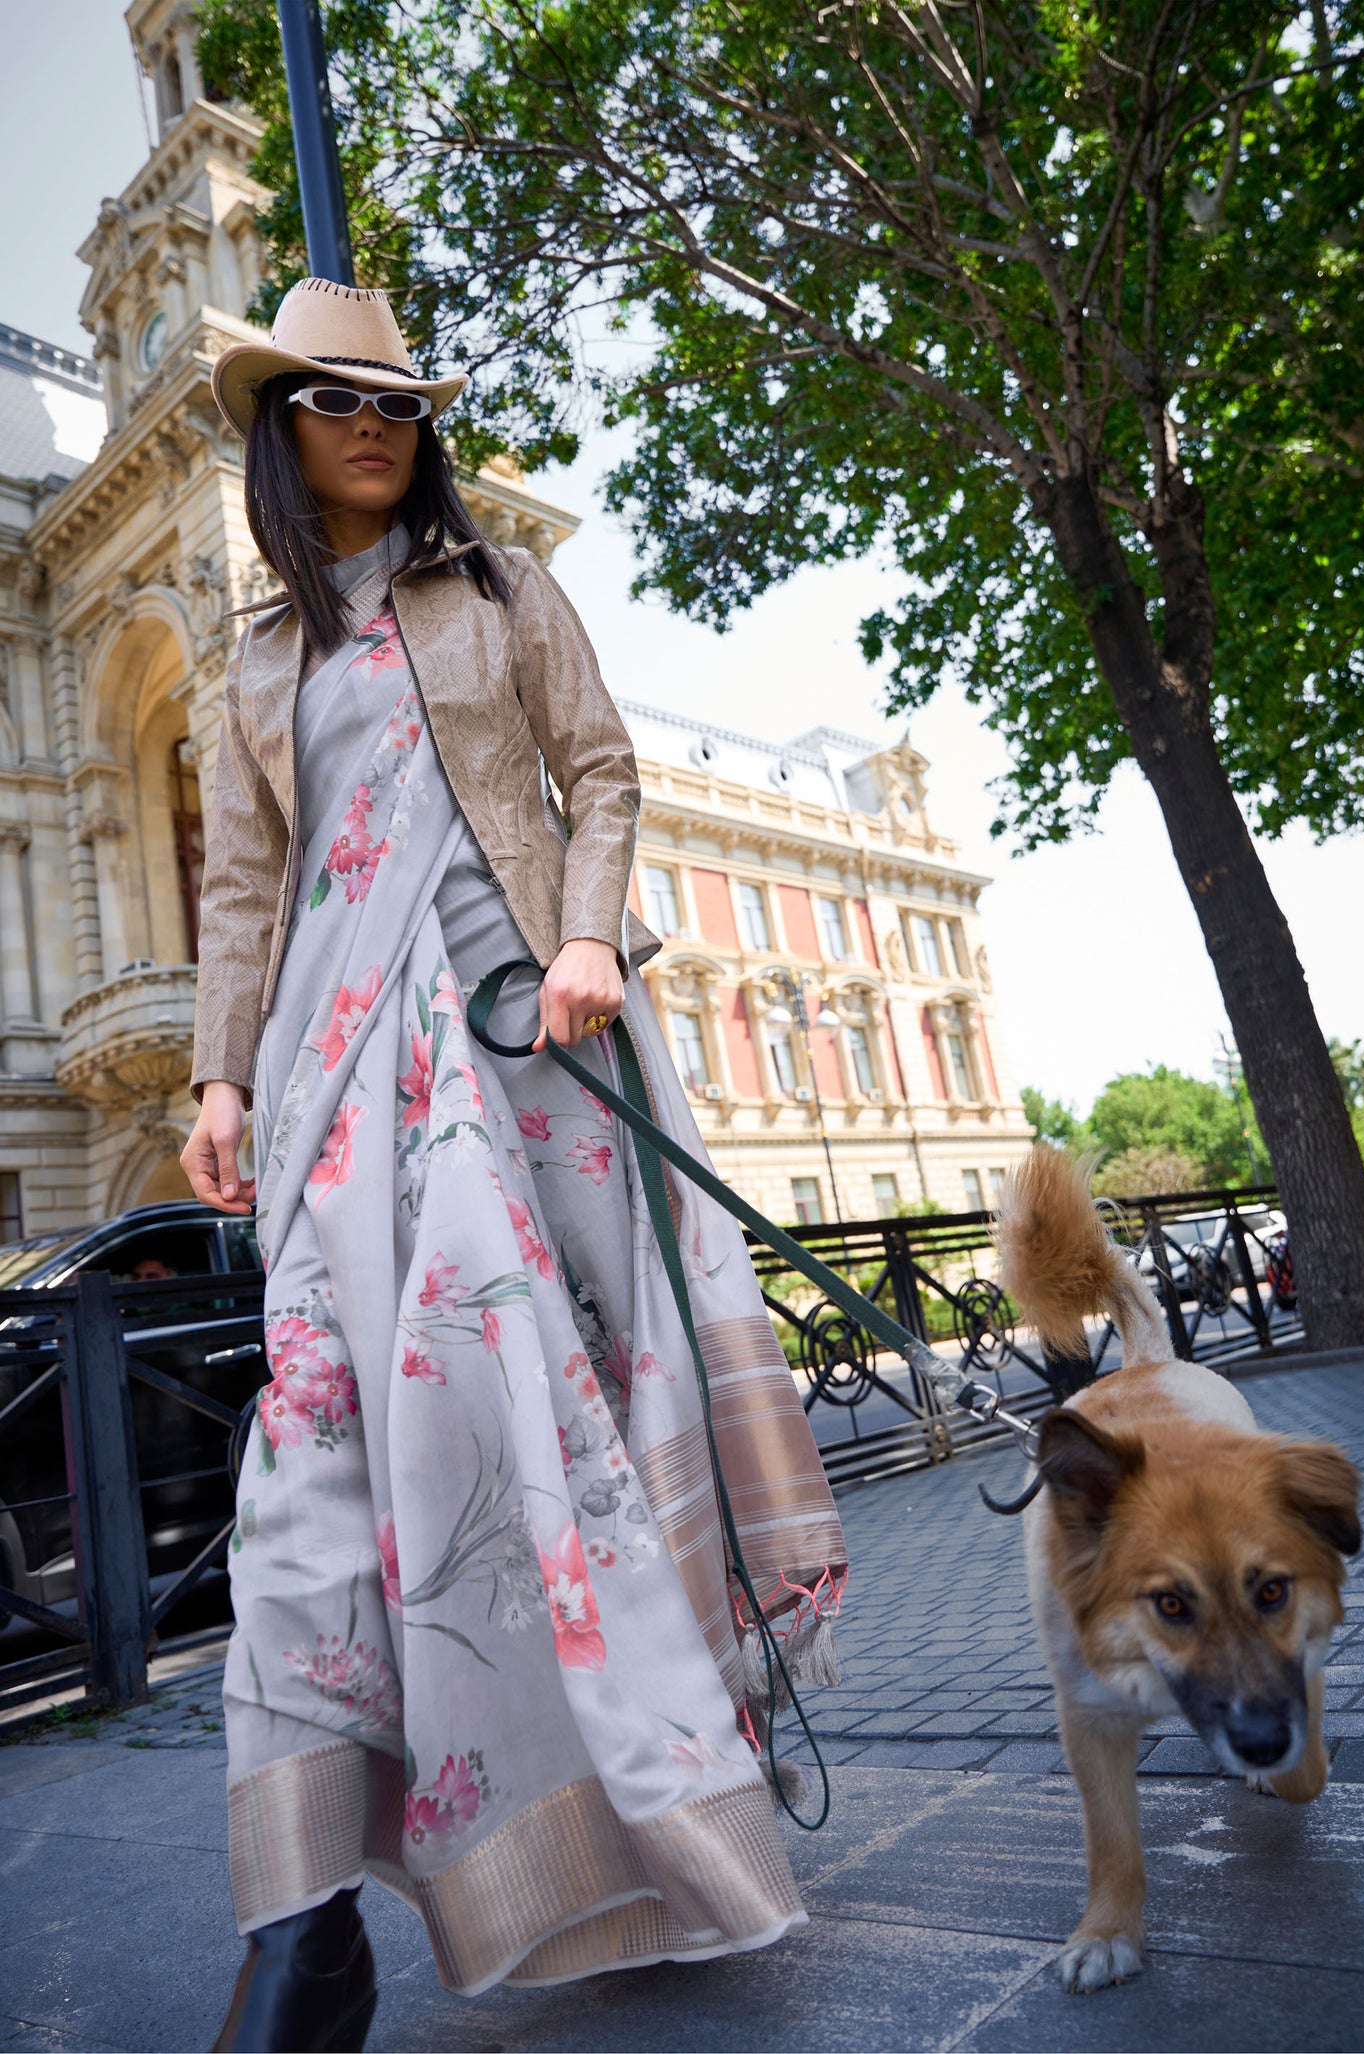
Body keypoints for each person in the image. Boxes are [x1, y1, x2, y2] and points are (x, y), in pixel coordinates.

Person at [181, 278, 847, 2053]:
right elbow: (241, 887)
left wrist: (589, 936)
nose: (373, 426)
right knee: (312, 1451)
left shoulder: (499, 587)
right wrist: (220, 1076)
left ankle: (664, 1809)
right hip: (337, 1078)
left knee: (582, 1411)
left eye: (397, 403)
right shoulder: (252, 662)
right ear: (281, 431)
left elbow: (599, 769)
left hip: (526, 1031)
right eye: (335, 401)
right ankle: (302, 1922)